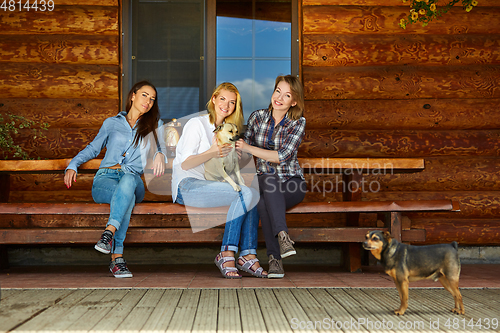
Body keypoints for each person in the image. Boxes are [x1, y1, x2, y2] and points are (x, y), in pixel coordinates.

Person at [64, 81, 166, 278]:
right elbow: (93, 149)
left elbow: (160, 148)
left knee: (128, 181)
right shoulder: (111, 123)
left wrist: (160, 154)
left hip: (133, 180)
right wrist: (72, 164)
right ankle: (116, 258)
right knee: (124, 197)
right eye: (145, 95)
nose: (148, 101)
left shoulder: (155, 125)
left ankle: (108, 233)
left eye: (152, 99)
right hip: (105, 180)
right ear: (133, 96)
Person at [171, 82, 267, 279]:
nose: (227, 105)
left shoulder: (226, 131)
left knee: (252, 195)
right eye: (222, 99)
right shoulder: (196, 124)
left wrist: (236, 158)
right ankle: (227, 253)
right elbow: (185, 165)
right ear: (213, 99)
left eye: (232, 102)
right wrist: (212, 152)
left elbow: (223, 170)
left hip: (210, 186)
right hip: (187, 185)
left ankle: (248, 255)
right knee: (246, 193)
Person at [236, 75, 306, 279]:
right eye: (278, 91)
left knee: (264, 201)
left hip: (292, 183)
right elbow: (244, 153)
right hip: (263, 181)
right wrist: (236, 149)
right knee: (266, 182)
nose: (280, 98)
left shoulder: (297, 122)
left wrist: (248, 147)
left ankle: (275, 259)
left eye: (287, 95)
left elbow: (282, 156)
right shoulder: (257, 117)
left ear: (294, 101)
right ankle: (283, 237)